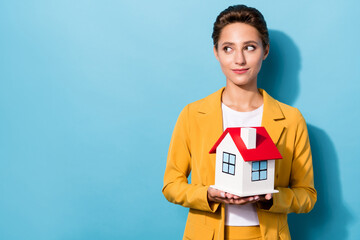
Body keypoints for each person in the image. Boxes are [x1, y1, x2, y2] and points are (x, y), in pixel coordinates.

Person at [162, 4, 316, 240]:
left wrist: (271, 198)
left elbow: (307, 195)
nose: (239, 59)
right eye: (228, 48)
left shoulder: (292, 119)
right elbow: (171, 185)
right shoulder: (192, 114)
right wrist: (208, 194)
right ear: (216, 52)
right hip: (207, 234)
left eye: (250, 47)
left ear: (265, 51)